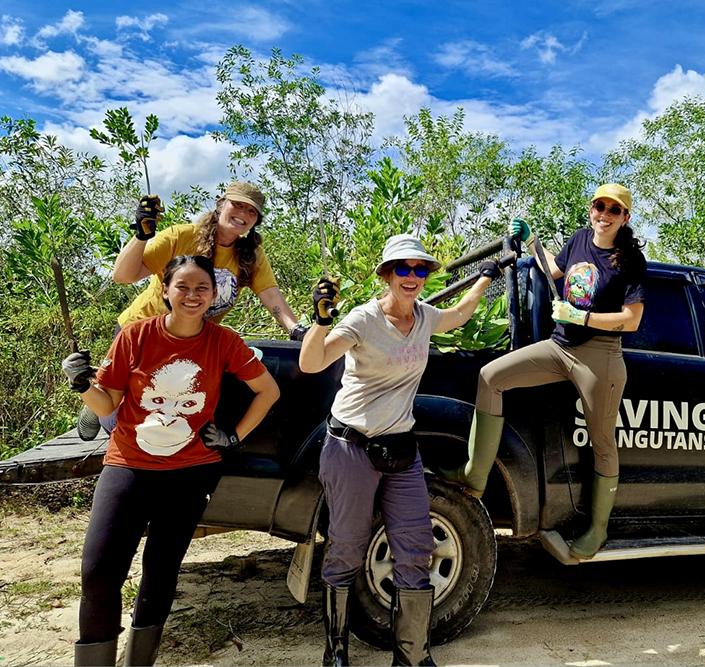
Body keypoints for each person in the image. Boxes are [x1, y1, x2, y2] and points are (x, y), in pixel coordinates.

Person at [61, 255, 281, 666]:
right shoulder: (136, 336)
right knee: (99, 571)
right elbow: (107, 401)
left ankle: (139, 661)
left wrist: (234, 436)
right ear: (165, 290)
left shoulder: (224, 342)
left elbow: (268, 391)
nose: (192, 295)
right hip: (128, 464)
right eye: (183, 286)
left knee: (160, 573)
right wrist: (81, 385)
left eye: (202, 288)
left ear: (213, 295)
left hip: (190, 474)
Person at [299, 234, 501, 666]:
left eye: (421, 269)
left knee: (416, 546)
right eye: (403, 269)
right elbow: (312, 363)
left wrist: (486, 275)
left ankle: (412, 655)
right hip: (350, 447)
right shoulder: (362, 319)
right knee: (347, 546)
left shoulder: (425, 316)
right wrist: (319, 320)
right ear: (387, 275)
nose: (413, 277)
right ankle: (335, 652)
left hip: (400, 450)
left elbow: (461, 314)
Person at [441, 183, 647, 560]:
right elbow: (553, 269)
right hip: (559, 346)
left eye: (613, 210)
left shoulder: (629, 261)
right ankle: (475, 475)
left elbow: (631, 321)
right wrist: (533, 240)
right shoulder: (581, 239)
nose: (604, 214)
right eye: (599, 206)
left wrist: (583, 316)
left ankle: (597, 531)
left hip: (599, 356)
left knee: (602, 442)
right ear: (592, 209)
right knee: (491, 376)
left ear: (625, 217)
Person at [78, 182, 302, 440]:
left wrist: (297, 330)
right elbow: (123, 275)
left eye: (252, 211)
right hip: (141, 333)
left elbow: (270, 294)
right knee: (122, 411)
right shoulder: (181, 237)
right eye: (237, 205)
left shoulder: (250, 255)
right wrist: (141, 235)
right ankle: (97, 405)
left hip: (192, 341)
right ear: (221, 204)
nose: (243, 213)